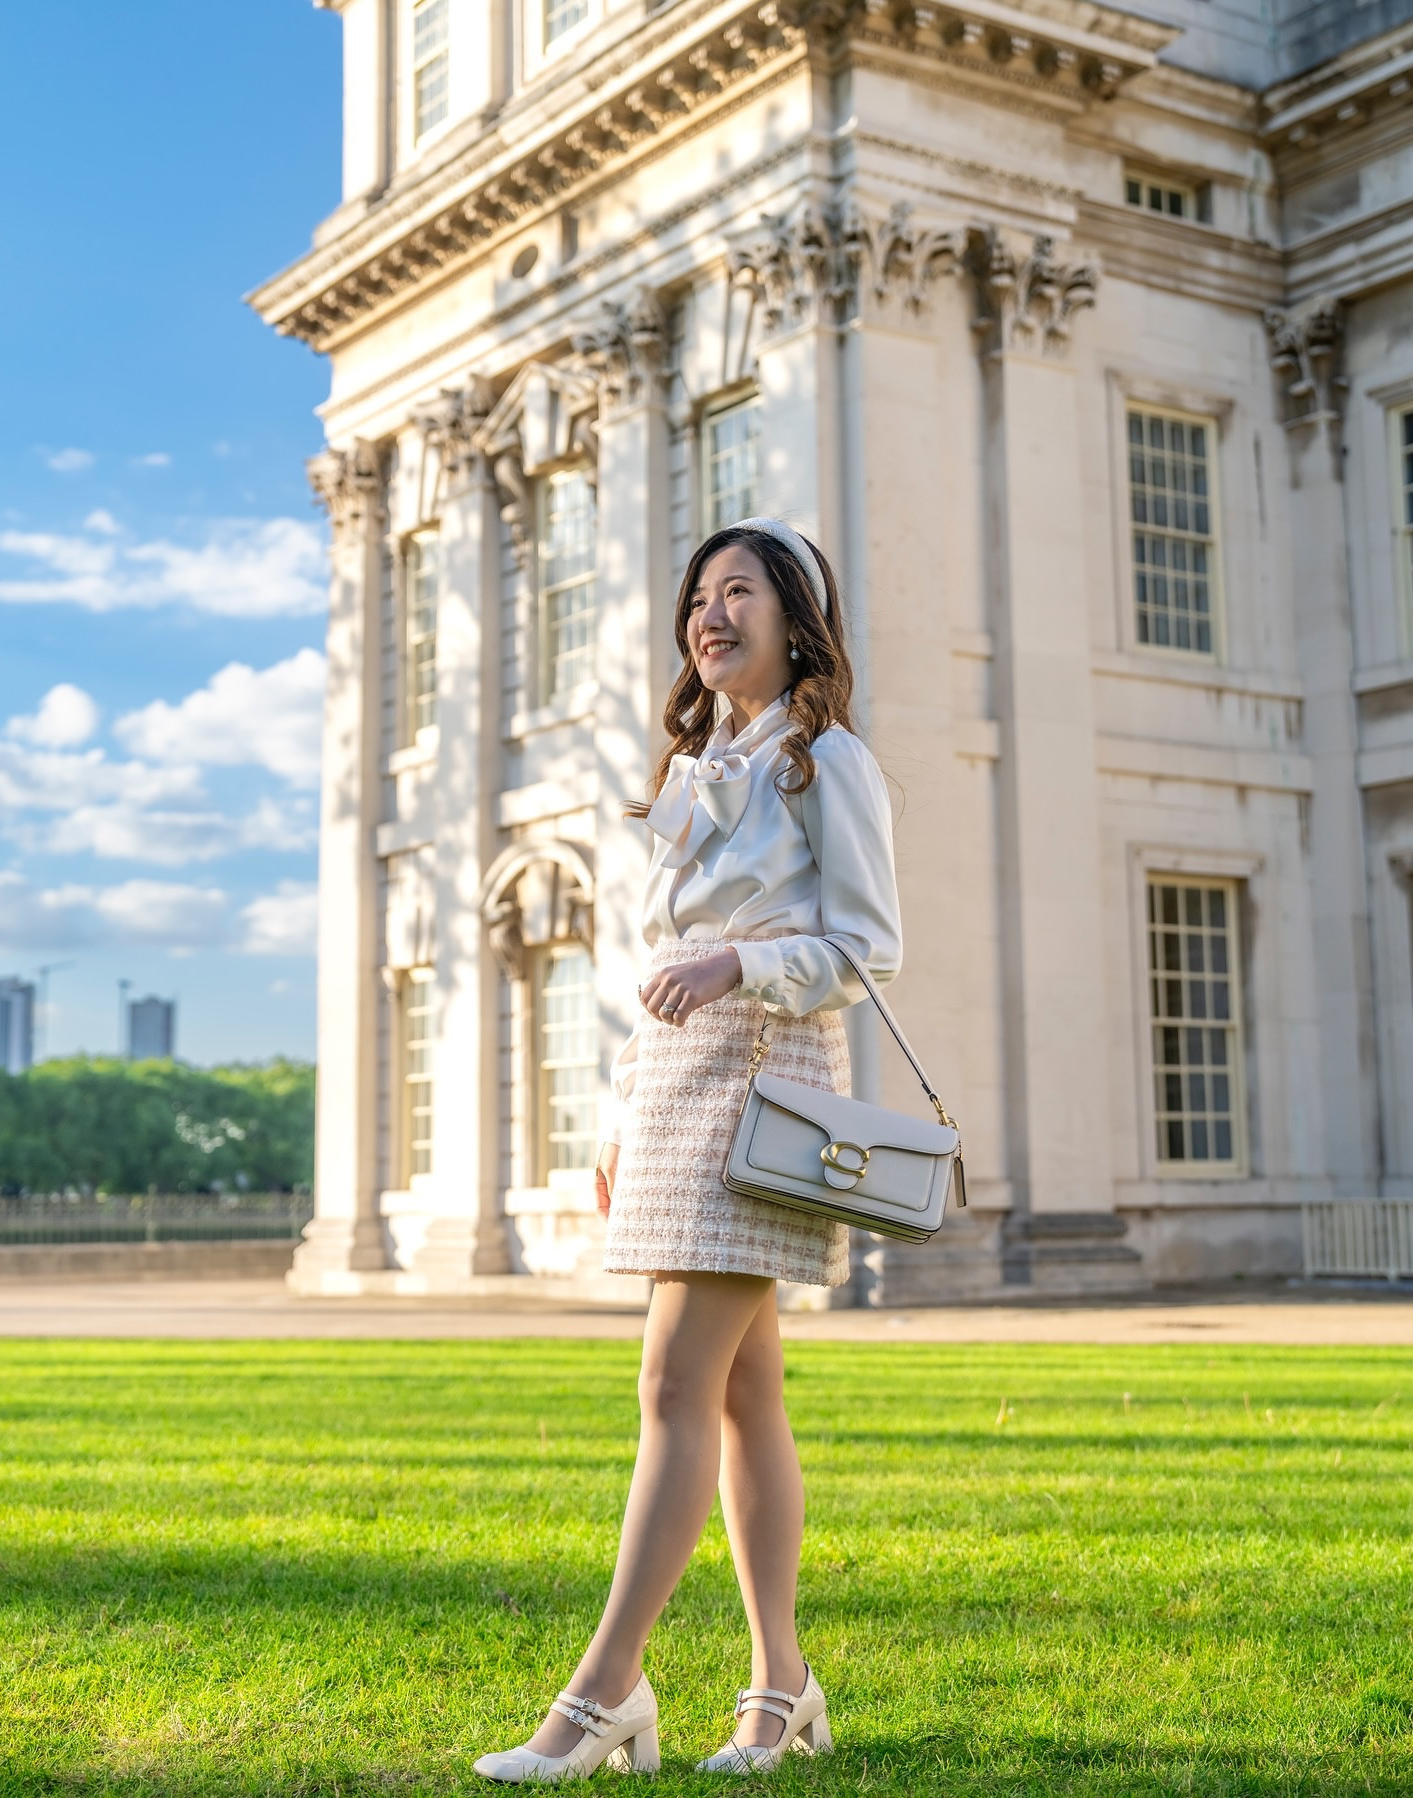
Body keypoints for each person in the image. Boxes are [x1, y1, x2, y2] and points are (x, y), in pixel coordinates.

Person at [473, 519, 901, 1782]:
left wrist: (741, 961)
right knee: (740, 1393)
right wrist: (618, 1118)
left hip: (762, 1080)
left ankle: (604, 1691)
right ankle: (781, 1684)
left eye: (740, 594)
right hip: (668, 1089)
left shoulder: (833, 766)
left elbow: (868, 953)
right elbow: (651, 970)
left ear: (794, 621)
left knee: (672, 1387)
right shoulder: (690, 767)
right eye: (698, 599)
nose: (711, 617)